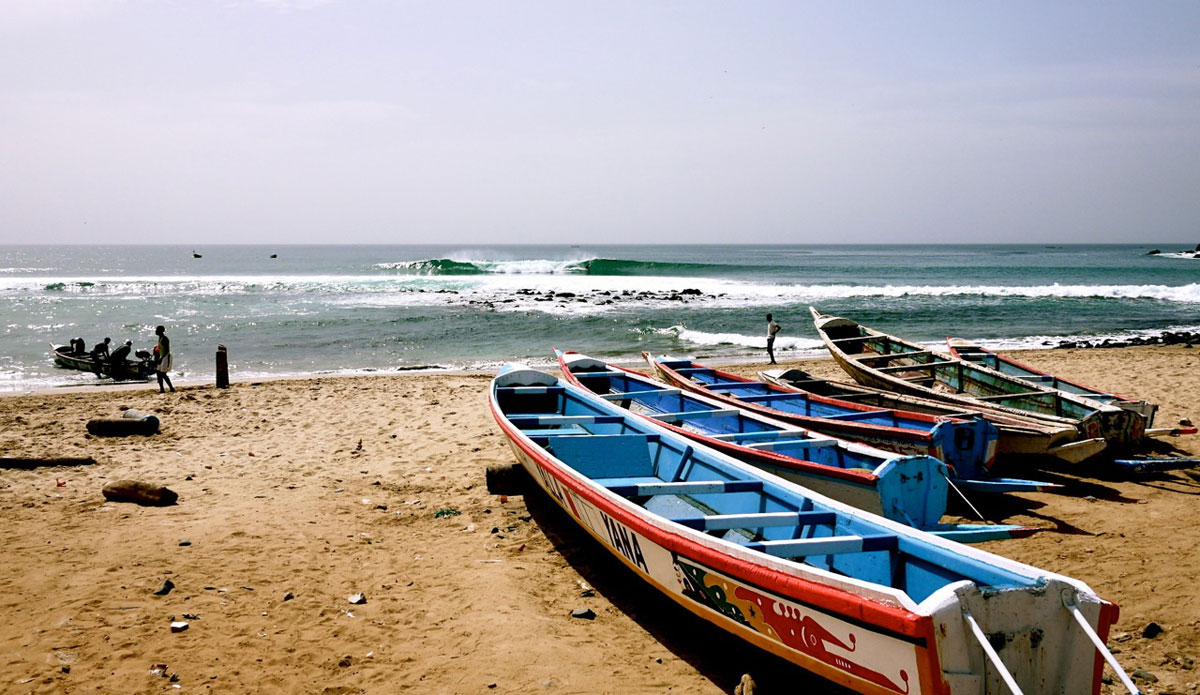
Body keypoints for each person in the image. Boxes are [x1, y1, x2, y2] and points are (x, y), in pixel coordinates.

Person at [154, 325, 175, 393]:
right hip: (162, 356)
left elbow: (167, 350)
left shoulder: (165, 339)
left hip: (166, 357)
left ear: (161, 331)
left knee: (163, 374)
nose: (155, 331)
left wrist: (161, 358)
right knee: (158, 373)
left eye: (157, 330)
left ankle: (171, 388)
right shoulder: (160, 338)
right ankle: (162, 389)